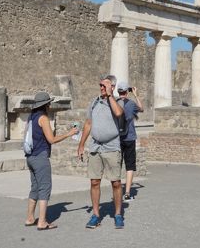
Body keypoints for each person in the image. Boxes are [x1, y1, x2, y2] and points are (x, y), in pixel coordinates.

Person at [24, 91, 79, 230]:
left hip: (30, 157)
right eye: (49, 103)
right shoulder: (43, 118)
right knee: (44, 188)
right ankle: (42, 222)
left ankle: (30, 218)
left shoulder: (31, 117)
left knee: (35, 188)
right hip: (40, 157)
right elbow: (51, 139)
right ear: (46, 104)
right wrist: (69, 133)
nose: (50, 105)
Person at [77, 76, 125, 229]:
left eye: (105, 85)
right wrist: (81, 144)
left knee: (116, 182)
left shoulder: (118, 101)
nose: (102, 88)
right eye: (101, 85)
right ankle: (96, 215)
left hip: (112, 147)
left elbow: (118, 114)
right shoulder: (94, 102)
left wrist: (110, 95)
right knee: (94, 181)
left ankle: (118, 214)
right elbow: (88, 123)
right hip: (95, 147)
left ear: (112, 86)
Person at [116, 81, 143, 201]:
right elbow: (141, 108)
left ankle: (116, 192)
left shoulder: (114, 103)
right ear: (127, 91)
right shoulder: (131, 104)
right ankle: (127, 193)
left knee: (117, 165)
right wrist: (136, 95)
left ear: (118, 91)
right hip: (130, 137)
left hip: (116, 138)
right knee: (129, 166)